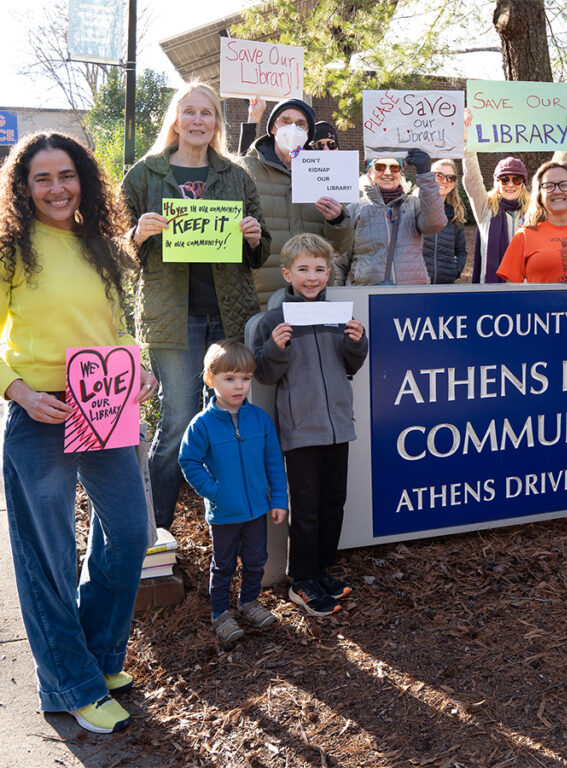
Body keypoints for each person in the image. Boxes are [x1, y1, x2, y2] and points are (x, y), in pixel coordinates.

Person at [0, 132, 158, 733]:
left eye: (65, 175)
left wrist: (135, 364)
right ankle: (69, 683)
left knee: (128, 529)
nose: (56, 188)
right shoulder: (11, 248)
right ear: (24, 186)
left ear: (83, 179)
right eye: (42, 178)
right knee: (50, 557)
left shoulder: (102, 245)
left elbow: (116, 325)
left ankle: (97, 657)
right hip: (40, 413)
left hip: (107, 405)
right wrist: (17, 389)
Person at [121, 80, 269, 531]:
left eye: (207, 113)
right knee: (179, 419)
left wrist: (255, 237)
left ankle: (223, 524)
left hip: (228, 314)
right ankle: (157, 530)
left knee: (223, 419)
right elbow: (114, 249)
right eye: (190, 112)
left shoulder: (236, 175)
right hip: (173, 318)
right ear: (176, 119)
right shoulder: (145, 175)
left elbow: (259, 249)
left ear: (217, 123)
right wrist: (136, 235)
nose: (198, 120)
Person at [252, 233, 368, 615]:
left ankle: (321, 570)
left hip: (338, 424)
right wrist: (275, 346)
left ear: (329, 272)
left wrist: (356, 342)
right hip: (301, 429)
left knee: (334, 502)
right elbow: (266, 374)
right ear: (287, 273)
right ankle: (301, 580)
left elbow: (350, 365)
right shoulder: (275, 319)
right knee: (307, 507)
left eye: (319, 269)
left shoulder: (338, 314)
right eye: (303, 269)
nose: (312, 277)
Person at [178, 340, 288, 644]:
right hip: (224, 512)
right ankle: (220, 614)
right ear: (211, 380)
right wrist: (214, 492)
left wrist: (278, 498)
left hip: (256, 509)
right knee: (224, 564)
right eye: (230, 379)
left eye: (245, 379)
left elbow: (274, 462)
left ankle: (249, 601)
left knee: (256, 559)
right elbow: (189, 460)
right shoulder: (202, 425)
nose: (239, 386)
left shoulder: (259, 419)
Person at [239, 98, 351, 308]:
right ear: (273, 127)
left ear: (309, 132)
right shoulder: (246, 169)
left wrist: (337, 220)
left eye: (300, 124)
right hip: (261, 294)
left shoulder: (325, 171)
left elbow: (340, 247)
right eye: (285, 121)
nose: (292, 128)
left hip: (313, 294)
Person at [461, 109, 567, 283]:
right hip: (492, 291)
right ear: (496, 182)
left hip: (527, 291)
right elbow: (472, 179)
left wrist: (565, 141)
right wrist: (467, 142)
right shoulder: (484, 207)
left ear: (523, 183)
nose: (510, 184)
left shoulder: (534, 209)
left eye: (516, 180)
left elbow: (554, 173)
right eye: (504, 179)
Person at [334, 150, 446, 285]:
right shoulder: (354, 209)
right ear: (369, 173)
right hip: (366, 293)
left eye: (394, 167)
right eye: (380, 167)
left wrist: (425, 175)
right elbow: (339, 260)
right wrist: (337, 296)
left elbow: (435, 224)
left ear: (401, 174)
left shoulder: (413, 204)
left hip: (412, 292)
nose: (387, 172)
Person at [420, 159, 467, 284]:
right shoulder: (413, 207)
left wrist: (455, 271)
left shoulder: (455, 215)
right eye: (439, 175)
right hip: (416, 283)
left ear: (453, 184)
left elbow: (461, 250)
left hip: (445, 284)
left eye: (450, 178)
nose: (444, 181)